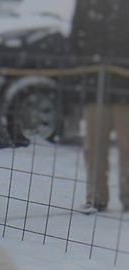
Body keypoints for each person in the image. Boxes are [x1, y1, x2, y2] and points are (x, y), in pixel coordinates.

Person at [69, 0, 129, 214]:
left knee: (127, 146)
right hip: (96, 86)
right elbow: (76, 39)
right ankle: (96, 197)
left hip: (126, 87)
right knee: (94, 146)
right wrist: (82, 72)